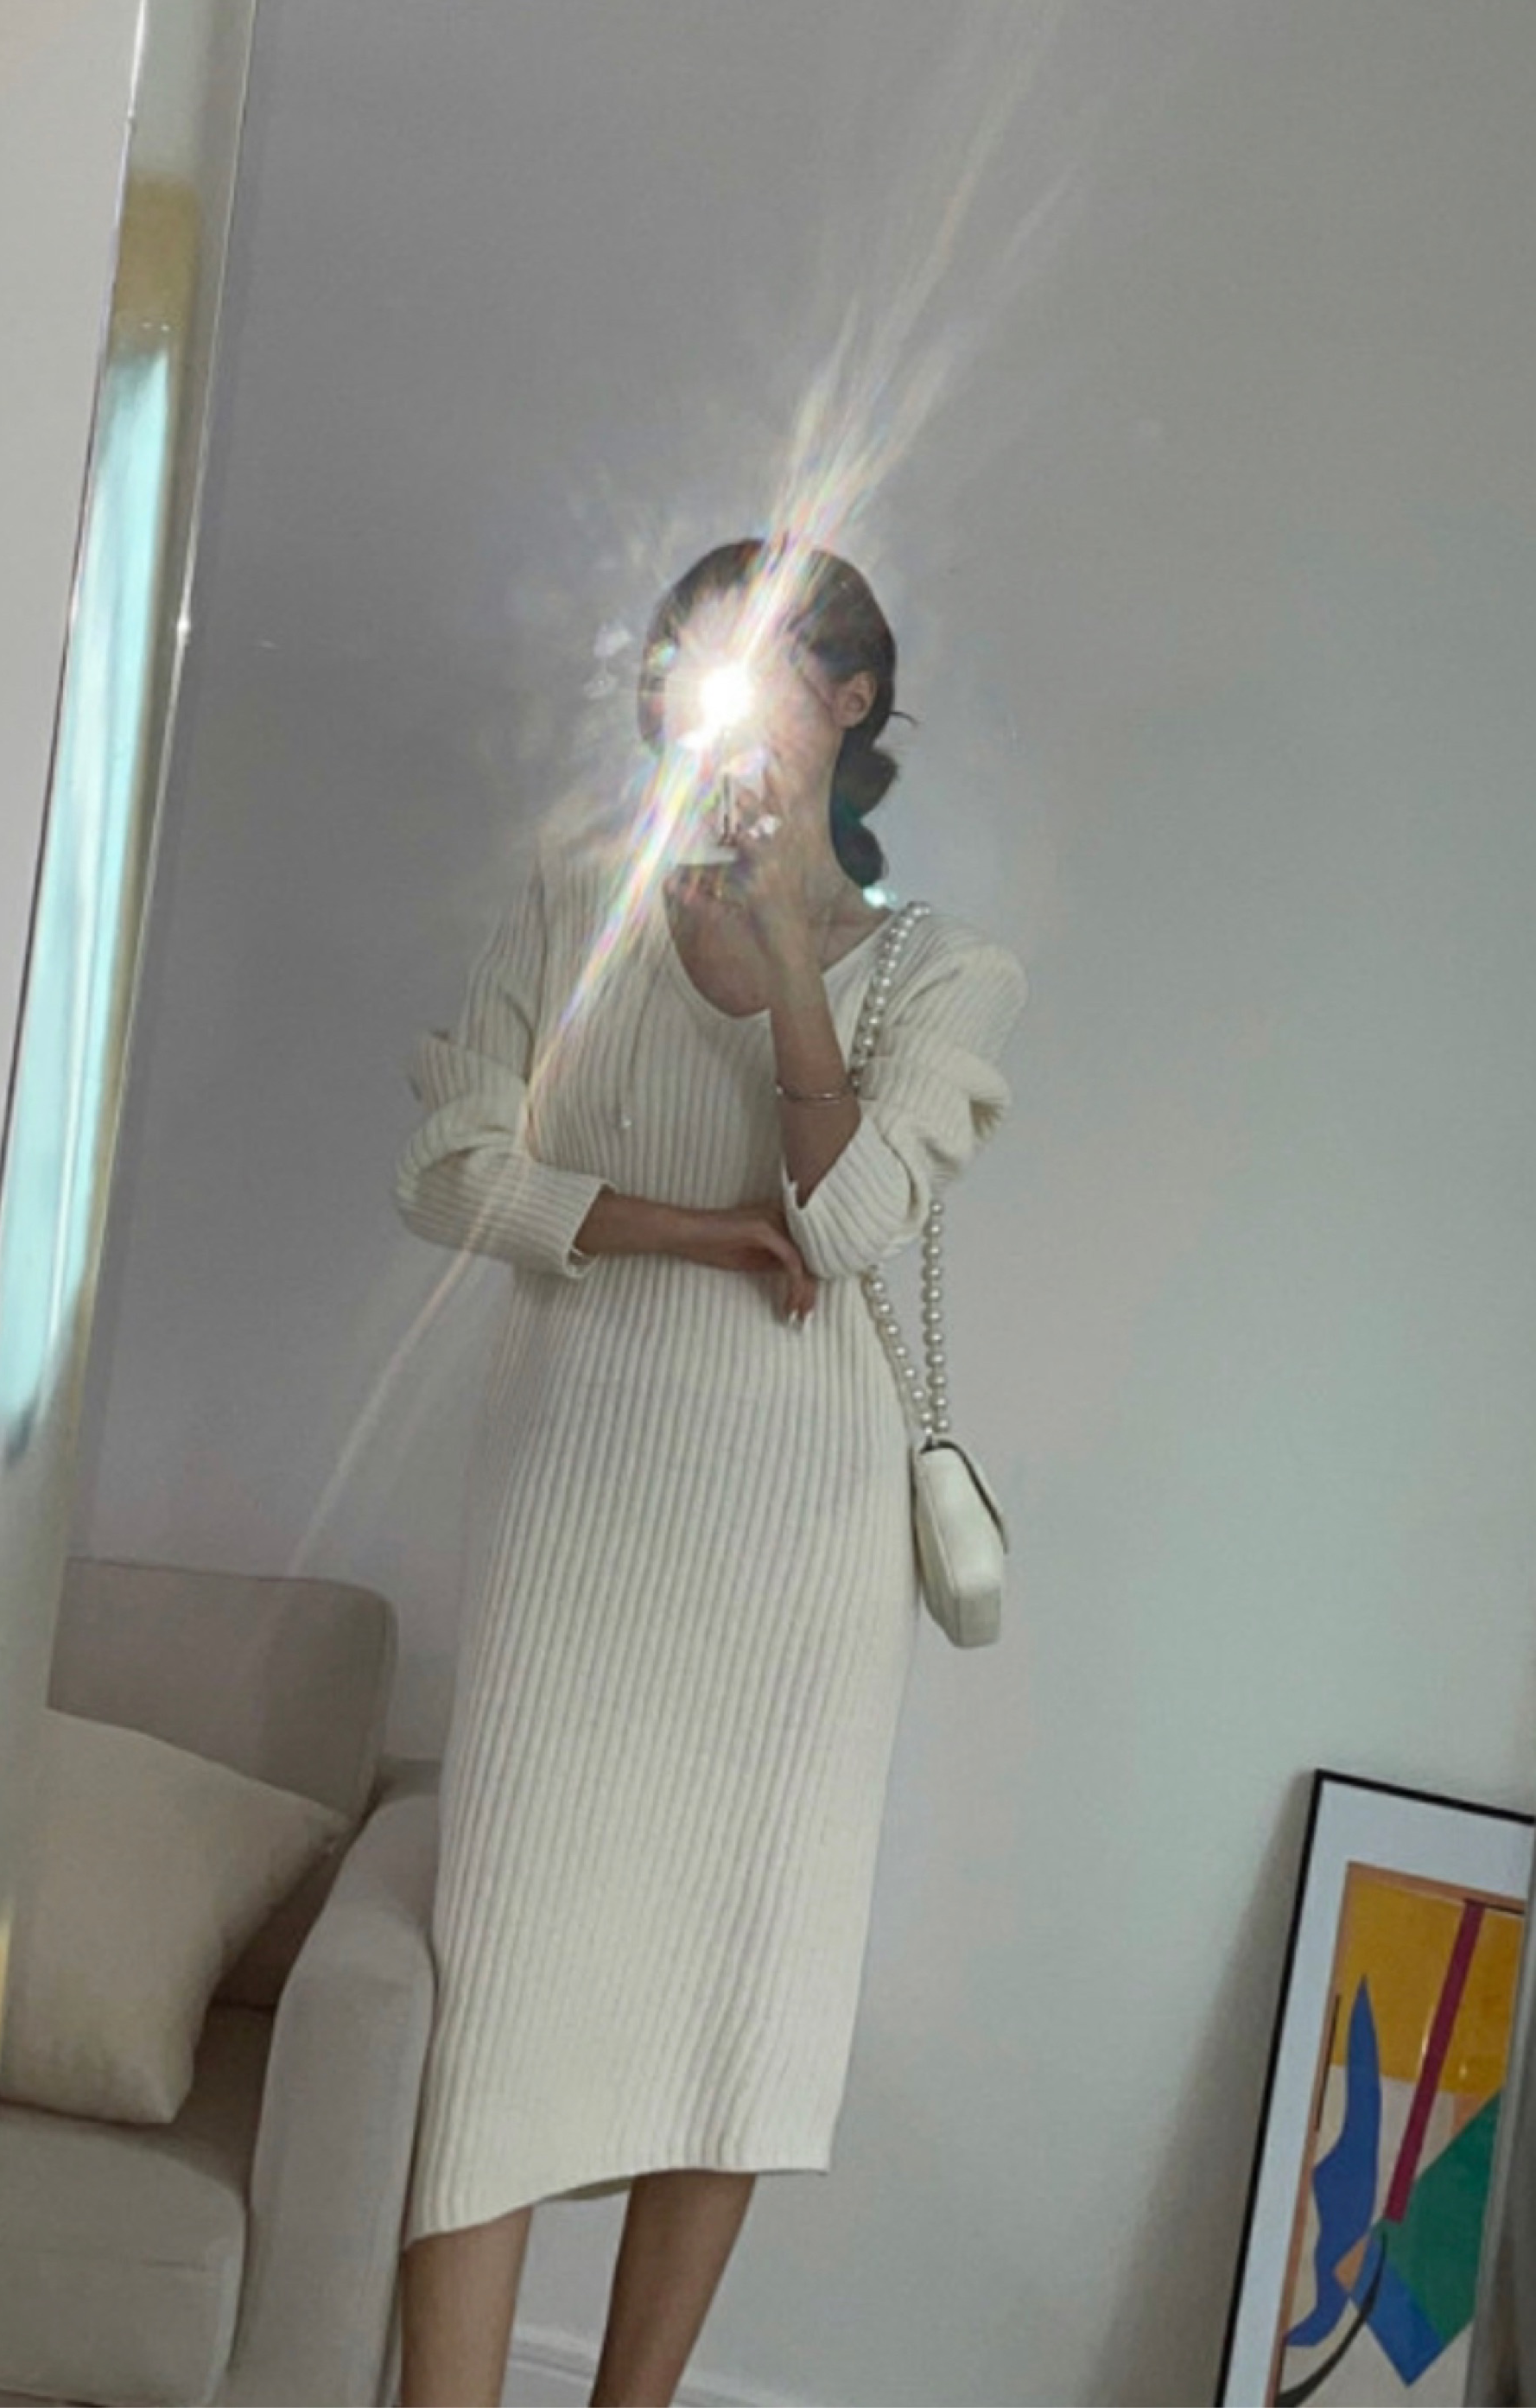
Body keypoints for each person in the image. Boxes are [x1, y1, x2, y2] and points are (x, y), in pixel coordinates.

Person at [391, 536, 1028, 2407]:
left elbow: (844, 1223)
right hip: (577, 1509)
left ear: (851, 698)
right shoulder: (574, 895)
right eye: (691, 663)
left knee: (740, 2000)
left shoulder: (952, 972)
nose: (717, 698)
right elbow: (445, 1169)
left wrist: (793, 966)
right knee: (502, 1988)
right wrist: (682, 1226)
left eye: (759, 662)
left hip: (796, 1560)